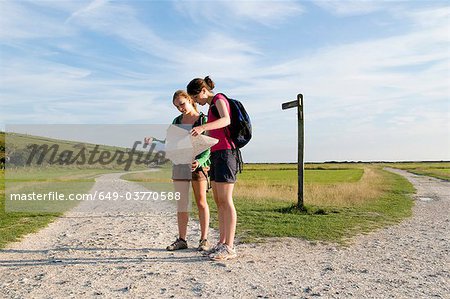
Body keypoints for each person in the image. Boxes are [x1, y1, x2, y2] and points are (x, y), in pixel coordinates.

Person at [147, 90, 211, 251]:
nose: (180, 108)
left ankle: (204, 240)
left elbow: (208, 146)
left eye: (182, 104)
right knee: (182, 204)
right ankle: (182, 240)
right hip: (179, 165)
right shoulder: (177, 121)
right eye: (177, 106)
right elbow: (169, 143)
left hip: (198, 166)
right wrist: (154, 141)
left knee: (201, 202)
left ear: (190, 100)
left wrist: (200, 161)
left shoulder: (203, 120)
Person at [188, 76, 238, 261]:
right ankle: (222, 243)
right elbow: (213, 131)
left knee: (226, 200)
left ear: (203, 91)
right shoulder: (210, 107)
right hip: (216, 154)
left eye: (196, 99)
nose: (197, 103)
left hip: (226, 153)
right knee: (218, 201)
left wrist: (202, 128)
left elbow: (226, 120)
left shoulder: (218, 99)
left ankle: (230, 247)